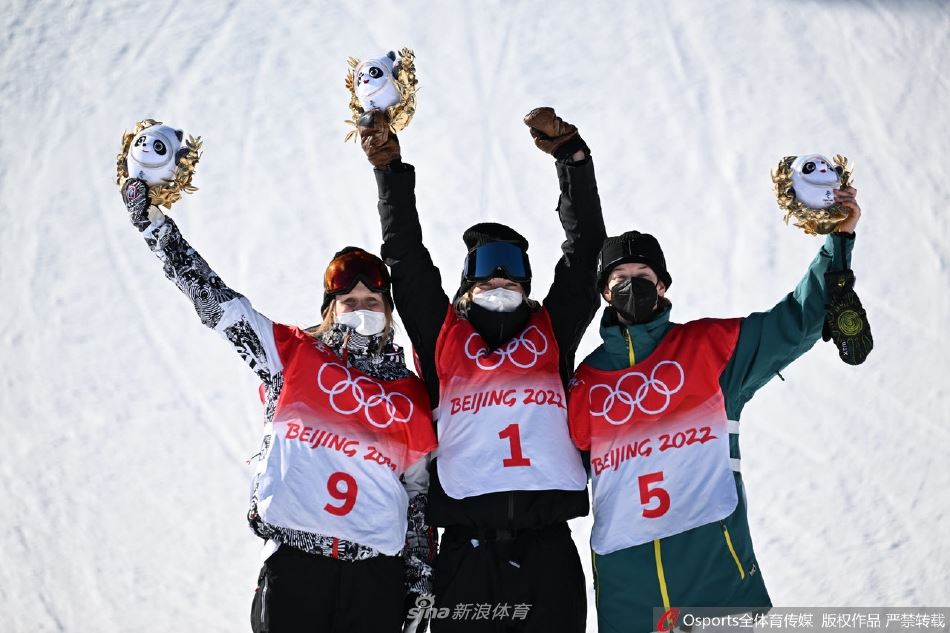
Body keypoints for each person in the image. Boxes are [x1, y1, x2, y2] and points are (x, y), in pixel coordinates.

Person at [119, 177, 438, 633]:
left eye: (372, 301)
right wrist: (154, 228)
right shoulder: (290, 357)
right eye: (349, 301)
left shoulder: (410, 393)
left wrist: (420, 578)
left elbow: (417, 495)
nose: (361, 309)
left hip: (375, 577)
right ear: (330, 310)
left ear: (389, 312)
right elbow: (217, 303)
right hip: (296, 566)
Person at [567, 188, 862, 632]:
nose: (631, 283)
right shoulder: (585, 382)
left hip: (718, 586)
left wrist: (837, 242)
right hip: (628, 599)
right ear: (605, 293)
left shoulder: (710, 349)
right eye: (619, 276)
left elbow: (795, 320)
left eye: (642, 273)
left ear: (662, 284)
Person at [357, 107, 607, 632]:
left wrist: (572, 158)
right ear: (466, 284)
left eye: (513, 271)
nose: (500, 281)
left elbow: (586, 256)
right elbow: (405, 259)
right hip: (466, 557)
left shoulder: (550, 333)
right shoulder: (445, 336)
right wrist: (390, 171)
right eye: (488, 271)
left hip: (547, 551)